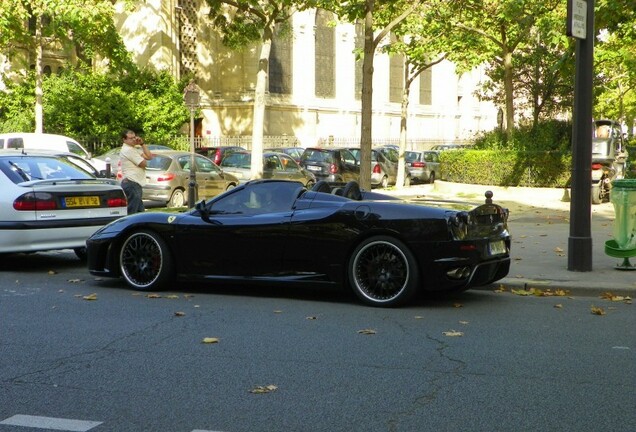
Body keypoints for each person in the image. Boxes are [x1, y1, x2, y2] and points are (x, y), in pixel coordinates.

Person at [119, 129, 153, 214]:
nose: (134, 140)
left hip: (135, 183)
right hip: (132, 183)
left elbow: (149, 157)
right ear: (124, 140)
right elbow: (143, 163)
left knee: (140, 213)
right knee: (133, 212)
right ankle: (130, 227)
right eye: (130, 138)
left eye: (134, 137)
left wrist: (142, 144)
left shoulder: (133, 149)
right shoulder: (128, 150)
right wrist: (144, 161)